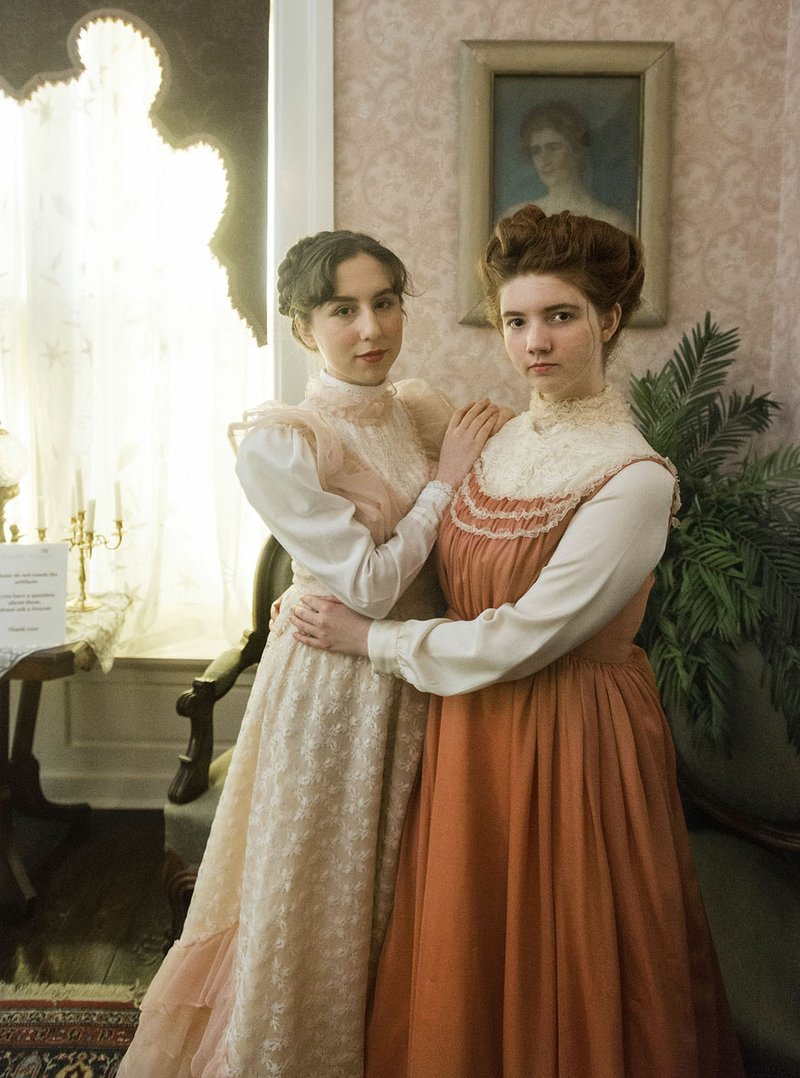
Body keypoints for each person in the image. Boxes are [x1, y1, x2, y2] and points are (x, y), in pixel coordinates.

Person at [290, 207, 746, 1077]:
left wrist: (370, 639)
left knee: (568, 969)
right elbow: (396, 529)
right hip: (467, 732)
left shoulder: (633, 476)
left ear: (609, 321)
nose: (535, 342)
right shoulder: (490, 439)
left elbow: (526, 636)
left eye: (560, 316)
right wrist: (315, 595)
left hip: (572, 738)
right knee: (470, 958)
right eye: (515, 320)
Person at [117, 229, 503, 1077]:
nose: (372, 329)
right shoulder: (280, 440)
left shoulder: (417, 406)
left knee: (411, 895)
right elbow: (365, 584)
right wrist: (446, 481)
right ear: (302, 327)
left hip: (423, 676)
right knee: (323, 901)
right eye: (343, 310)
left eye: (386, 303)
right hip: (336, 688)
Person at [505, 100, 634, 232]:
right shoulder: (516, 219)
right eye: (536, 151)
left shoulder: (613, 222)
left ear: (577, 150)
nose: (544, 160)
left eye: (553, 148)